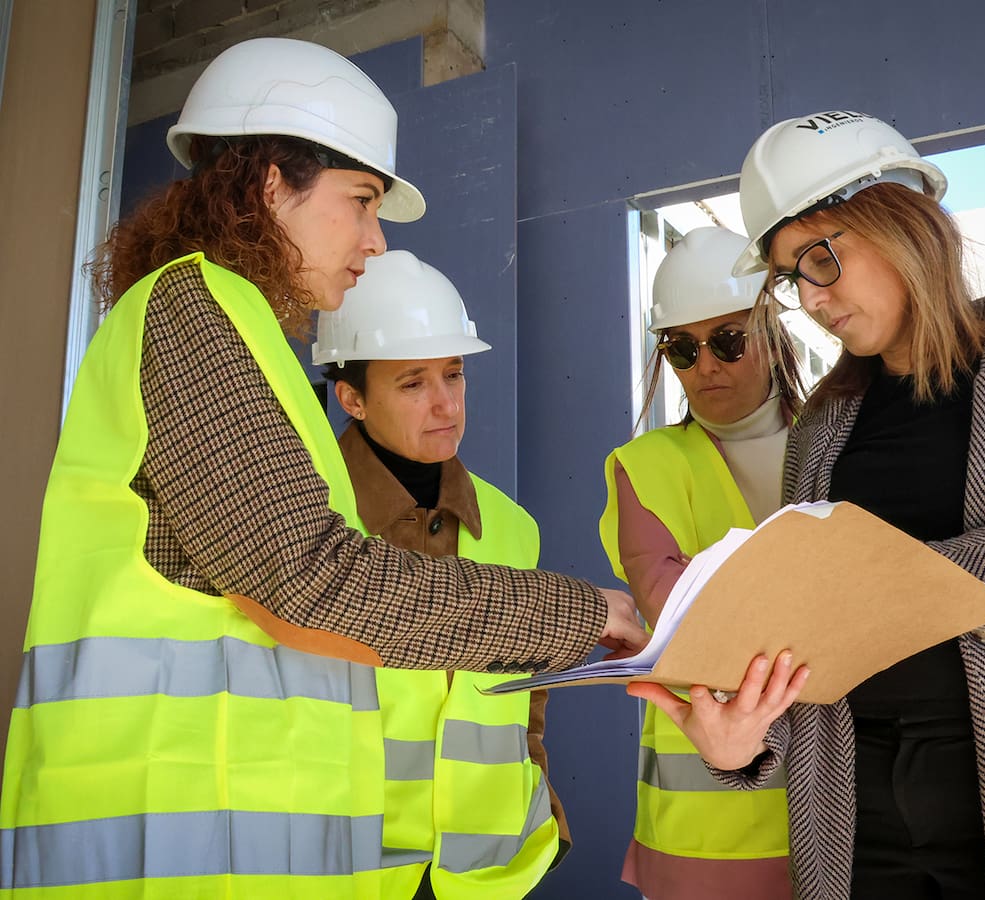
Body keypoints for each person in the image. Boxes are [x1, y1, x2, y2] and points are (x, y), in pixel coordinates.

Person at [0, 37, 644, 898]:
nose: (374, 242)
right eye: (362, 201)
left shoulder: (240, 333)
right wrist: (581, 612)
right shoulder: (198, 311)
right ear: (272, 185)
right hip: (172, 855)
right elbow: (308, 579)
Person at [629, 111, 985, 900]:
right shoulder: (823, 428)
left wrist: (882, 584)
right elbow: (811, 634)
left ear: (905, 221)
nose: (810, 298)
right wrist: (742, 744)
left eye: (820, 258)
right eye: (789, 276)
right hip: (853, 815)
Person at [314, 249, 574, 899]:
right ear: (352, 397)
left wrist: (547, 817)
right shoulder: (306, 526)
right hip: (342, 873)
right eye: (412, 382)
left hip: (490, 871)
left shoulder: (511, 527)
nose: (445, 404)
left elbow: (527, 704)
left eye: (453, 376)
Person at [598, 226, 805, 900]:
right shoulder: (646, 466)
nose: (706, 365)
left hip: (839, 810)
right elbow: (687, 621)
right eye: (681, 348)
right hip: (702, 839)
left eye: (727, 339)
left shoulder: (843, 443)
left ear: (771, 326)